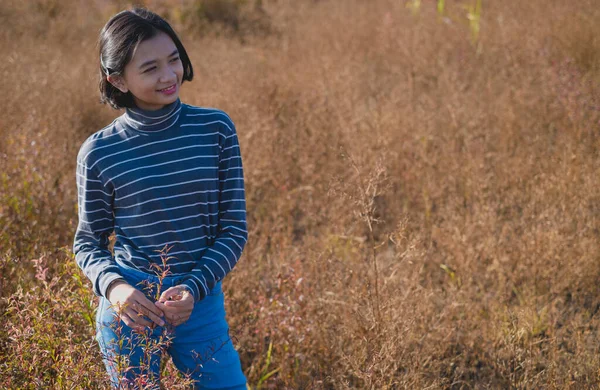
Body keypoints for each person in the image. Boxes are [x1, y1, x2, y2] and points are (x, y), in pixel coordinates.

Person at [73, 7, 248, 389]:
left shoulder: (215, 129)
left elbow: (234, 229)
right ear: (117, 79)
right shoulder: (99, 152)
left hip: (199, 304)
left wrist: (195, 287)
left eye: (174, 60)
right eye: (150, 68)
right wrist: (116, 288)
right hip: (129, 311)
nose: (169, 76)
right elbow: (88, 241)